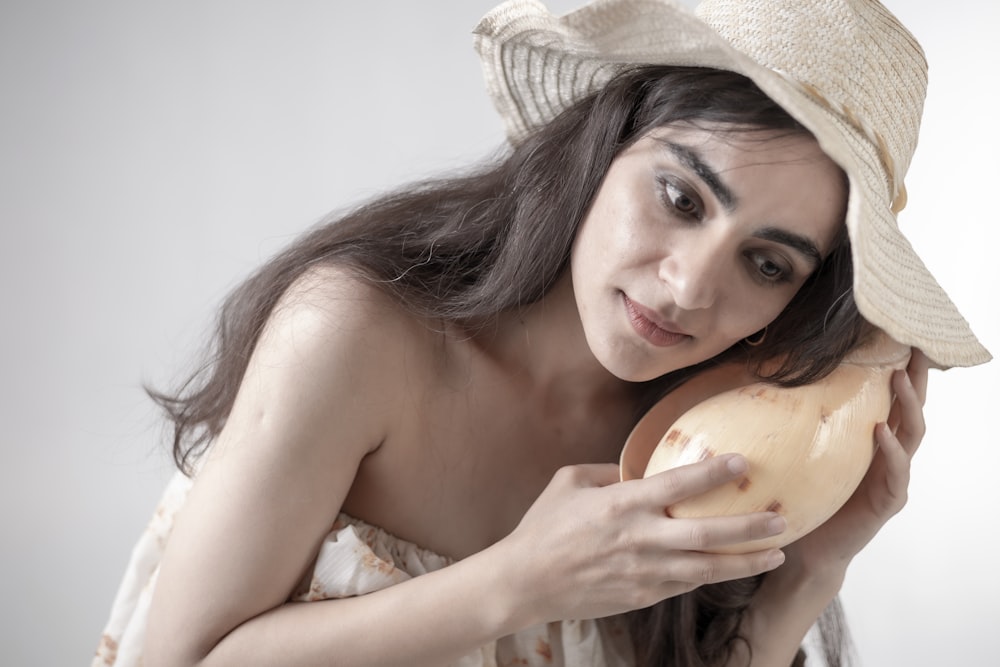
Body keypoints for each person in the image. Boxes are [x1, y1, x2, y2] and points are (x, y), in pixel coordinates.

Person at [92, 1, 991, 666]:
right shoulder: (357, 334)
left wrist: (812, 566)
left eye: (767, 264)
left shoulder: (704, 438)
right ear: (602, 144)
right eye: (680, 198)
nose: (687, 287)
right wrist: (517, 581)